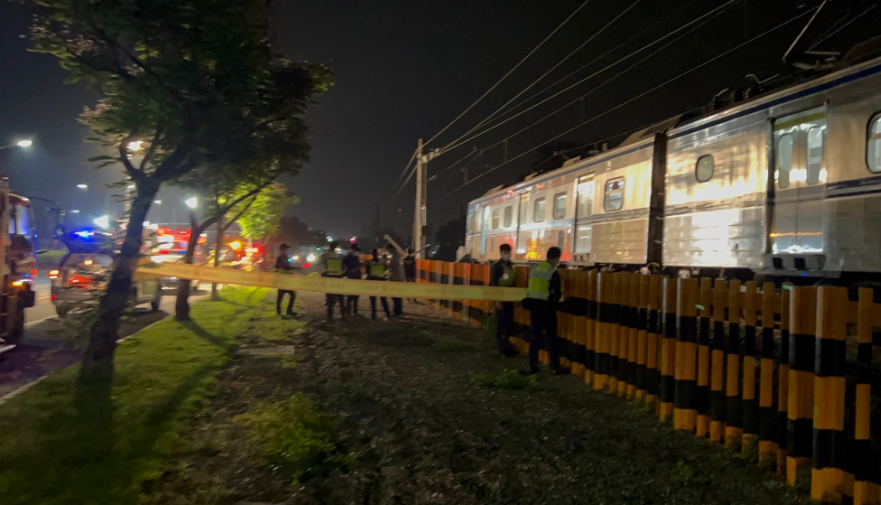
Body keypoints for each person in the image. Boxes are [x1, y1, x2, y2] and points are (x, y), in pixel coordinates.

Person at [524, 247, 564, 375]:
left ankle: (533, 365)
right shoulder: (552, 271)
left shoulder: (535, 268)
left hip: (533, 306)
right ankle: (555, 367)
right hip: (546, 308)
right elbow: (556, 294)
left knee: (535, 337)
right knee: (551, 337)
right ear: (557, 258)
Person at [490, 243, 518, 356]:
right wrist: (497, 300)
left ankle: (507, 344)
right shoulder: (497, 266)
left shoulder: (511, 266)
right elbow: (494, 284)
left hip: (510, 299)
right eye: (505, 252)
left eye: (508, 252)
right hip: (501, 299)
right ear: (501, 253)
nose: (507, 254)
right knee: (501, 322)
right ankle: (501, 346)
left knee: (508, 322)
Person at [321, 241, 346, 321]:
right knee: (340, 297)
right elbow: (344, 267)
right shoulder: (340, 256)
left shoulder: (325, 255)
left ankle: (329, 317)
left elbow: (318, 263)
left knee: (329, 298)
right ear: (336, 247)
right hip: (338, 277)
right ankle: (343, 315)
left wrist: (304, 266)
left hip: (330, 278)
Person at [367, 248, 392, 320]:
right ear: (378, 254)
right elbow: (386, 270)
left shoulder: (370, 262)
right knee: (383, 299)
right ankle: (387, 314)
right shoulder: (382, 262)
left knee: (373, 300)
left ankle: (373, 315)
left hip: (373, 282)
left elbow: (368, 273)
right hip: (381, 281)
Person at [274, 243, 299, 317]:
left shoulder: (285, 257)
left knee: (292, 295)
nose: (286, 250)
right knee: (281, 297)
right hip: (282, 280)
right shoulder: (279, 258)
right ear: (282, 249)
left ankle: (288, 311)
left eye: (287, 249)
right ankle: (280, 312)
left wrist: (293, 269)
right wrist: (294, 268)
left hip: (286, 280)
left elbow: (287, 266)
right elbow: (284, 267)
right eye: (285, 249)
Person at [343, 244, 363, 315]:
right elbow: (348, 270)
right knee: (350, 296)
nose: (355, 252)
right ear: (351, 250)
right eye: (355, 250)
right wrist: (359, 267)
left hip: (356, 278)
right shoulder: (347, 258)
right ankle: (349, 311)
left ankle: (355, 310)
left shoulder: (355, 258)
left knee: (356, 296)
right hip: (351, 279)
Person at [386, 243, 405, 317]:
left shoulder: (395, 257)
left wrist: (389, 272)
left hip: (395, 278)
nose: (388, 251)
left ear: (391, 248)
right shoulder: (398, 256)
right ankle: (397, 310)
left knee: (395, 296)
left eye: (388, 249)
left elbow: (394, 268)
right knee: (397, 296)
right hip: (399, 278)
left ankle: (398, 311)